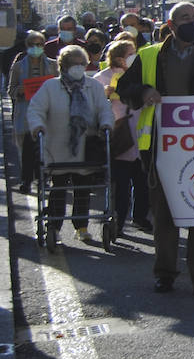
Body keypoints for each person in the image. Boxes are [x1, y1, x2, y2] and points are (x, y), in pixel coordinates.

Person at [117, 2, 194, 299]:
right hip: (162, 147)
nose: (192, 22)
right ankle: (165, 273)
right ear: (170, 26)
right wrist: (143, 92)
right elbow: (124, 88)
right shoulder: (148, 56)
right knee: (166, 215)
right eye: (185, 18)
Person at [26, 45, 114, 252]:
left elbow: (104, 109)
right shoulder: (50, 87)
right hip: (57, 147)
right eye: (74, 64)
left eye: (81, 63)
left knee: (83, 188)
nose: (78, 67)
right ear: (63, 66)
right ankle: (54, 227)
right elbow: (36, 109)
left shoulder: (92, 87)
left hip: (86, 147)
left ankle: (81, 226)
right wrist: (37, 126)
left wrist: (107, 124)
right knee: (58, 189)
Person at [94, 39, 150, 241]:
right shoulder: (101, 78)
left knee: (143, 181)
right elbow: (93, 104)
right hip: (119, 137)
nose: (135, 56)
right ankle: (118, 221)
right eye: (130, 53)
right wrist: (105, 94)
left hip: (140, 135)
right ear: (119, 58)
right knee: (122, 185)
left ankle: (141, 217)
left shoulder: (138, 74)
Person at [8, 31, 56, 193]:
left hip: (47, 114)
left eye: (39, 44)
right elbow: (11, 90)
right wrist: (20, 90)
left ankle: (43, 179)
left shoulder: (52, 65)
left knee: (44, 149)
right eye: (32, 44)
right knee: (27, 150)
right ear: (27, 46)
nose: (36, 48)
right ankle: (26, 180)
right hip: (26, 115)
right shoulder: (18, 67)